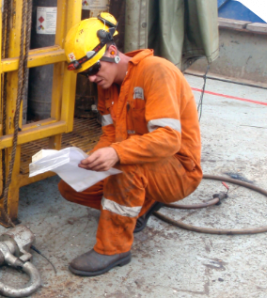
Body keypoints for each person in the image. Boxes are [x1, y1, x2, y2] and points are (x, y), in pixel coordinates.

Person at [58, 12, 203, 276]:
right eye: (84, 74)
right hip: (143, 163)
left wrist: (116, 153)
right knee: (71, 186)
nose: (91, 78)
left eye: (93, 68)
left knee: (126, 165)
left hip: (179, 170)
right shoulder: (106, 87)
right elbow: (110, 133)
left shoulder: (156, 71)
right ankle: (142, 205)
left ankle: (113, 249)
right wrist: (93, 159)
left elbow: (169, 138)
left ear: (112, 50)